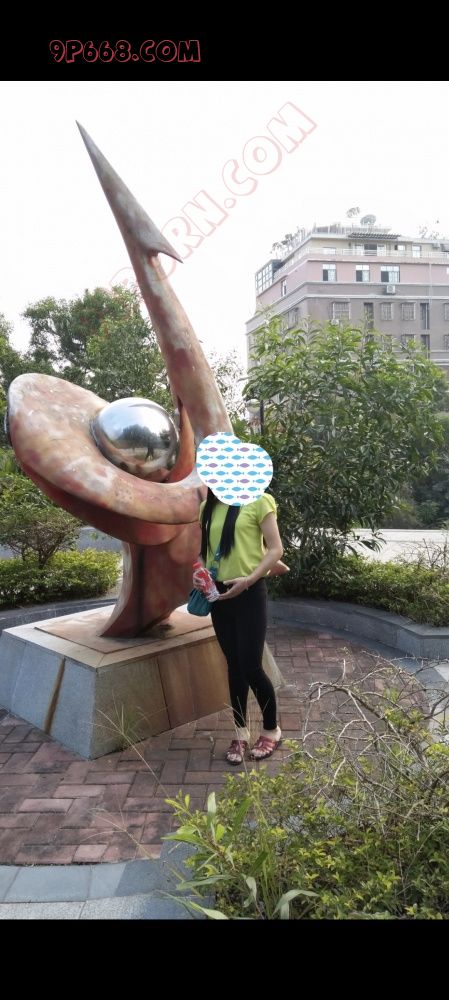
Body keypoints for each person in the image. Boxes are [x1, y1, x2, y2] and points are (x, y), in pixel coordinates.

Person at [198, 487, 284, 765]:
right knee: (234, 666)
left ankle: (271, 729)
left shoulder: (259, 500)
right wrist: (200, 573)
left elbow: (276, 549)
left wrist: (249, 579)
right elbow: (204, 554)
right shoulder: (207, 507)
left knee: (251, 666)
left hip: (249, 591)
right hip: (219, 595)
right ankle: (241, 732)